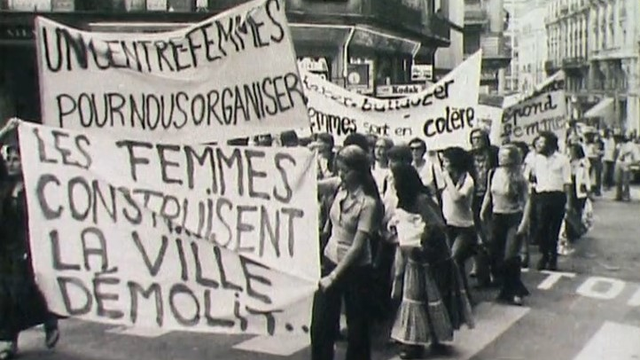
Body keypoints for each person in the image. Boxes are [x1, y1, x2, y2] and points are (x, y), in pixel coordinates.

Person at [312, 145, 382, 360]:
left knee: (357, 327)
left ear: (359, 172)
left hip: (356, 269)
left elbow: (358, 247)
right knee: (320, 324)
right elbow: (311, 187)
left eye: (346, 171)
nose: (341, 175)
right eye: (339, 169)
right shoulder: (337, 187)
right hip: (331, 258)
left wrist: (334, 276)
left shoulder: (368, 203)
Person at [0, 119, 60, 360]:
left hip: (29, 248)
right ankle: (7, 340)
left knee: (24, 291)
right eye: (8, 159)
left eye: (17, 159)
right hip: (5, 249)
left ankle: (48, 320)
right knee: (4, 294)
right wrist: (5, 132)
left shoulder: (36, 186)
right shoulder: (3, 185)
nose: (12, 163)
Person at [387, 164, 453, 359]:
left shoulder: (422, 200)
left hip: (420, 258)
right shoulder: (403, 200)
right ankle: (419, 336)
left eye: (395, 178)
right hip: (405, 255)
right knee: (409, 296)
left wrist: (420, 242)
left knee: (415, 298)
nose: (392, 182)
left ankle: (413, 343)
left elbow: (437, 225)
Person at [480, 144, 531, 306]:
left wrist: (524, 222)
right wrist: (483, 209)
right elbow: (489, 193)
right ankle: (505, 289)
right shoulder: (493, 172)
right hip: (497, 217)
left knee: (511, 256)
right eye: (500, 155)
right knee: (496, 255)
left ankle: (516, 291)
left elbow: (528, 200)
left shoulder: (519, 176)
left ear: (513, 158)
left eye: (505, 156)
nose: (501, 158)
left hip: (513, 217)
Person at [528, 131, 573, 271]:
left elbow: (567, 182)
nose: (539, 145)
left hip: (557, 197)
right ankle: (544, 254)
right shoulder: (535, 159)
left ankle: (552, 257)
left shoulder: (562, 160)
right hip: (541, 197)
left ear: (550, 144)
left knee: (555, 229)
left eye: (542, 143)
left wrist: (569, 203)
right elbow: (529, 176)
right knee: (541, 228)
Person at [440, 147, 476, 296]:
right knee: (452, 263)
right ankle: (459, 295)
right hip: (448, 226)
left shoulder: (467, 180)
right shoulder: (446, 178)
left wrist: (447, 178)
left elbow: (457, 198)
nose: (444, 165)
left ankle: (463, 296)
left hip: (464, 228)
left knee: (455, 259)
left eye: (447, 161)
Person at [468, 129, 499, 286]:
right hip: (474, 198)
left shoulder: (494, 153)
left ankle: (494, 270)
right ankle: (480, 270)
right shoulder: (468, 157)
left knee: (491, 234)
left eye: (479, 138)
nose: (476, 141)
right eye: (473, 138)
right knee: (477, 234)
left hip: (493, 197)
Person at [614, 135, 639, 201]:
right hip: (619, 163)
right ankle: (619, 195)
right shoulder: (619, 145)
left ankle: (626, 195)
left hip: (627, 164)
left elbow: (637, 157)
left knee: (626, 181)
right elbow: (617, 155)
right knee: (618, 180)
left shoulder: (632, 146)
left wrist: (632, 163)